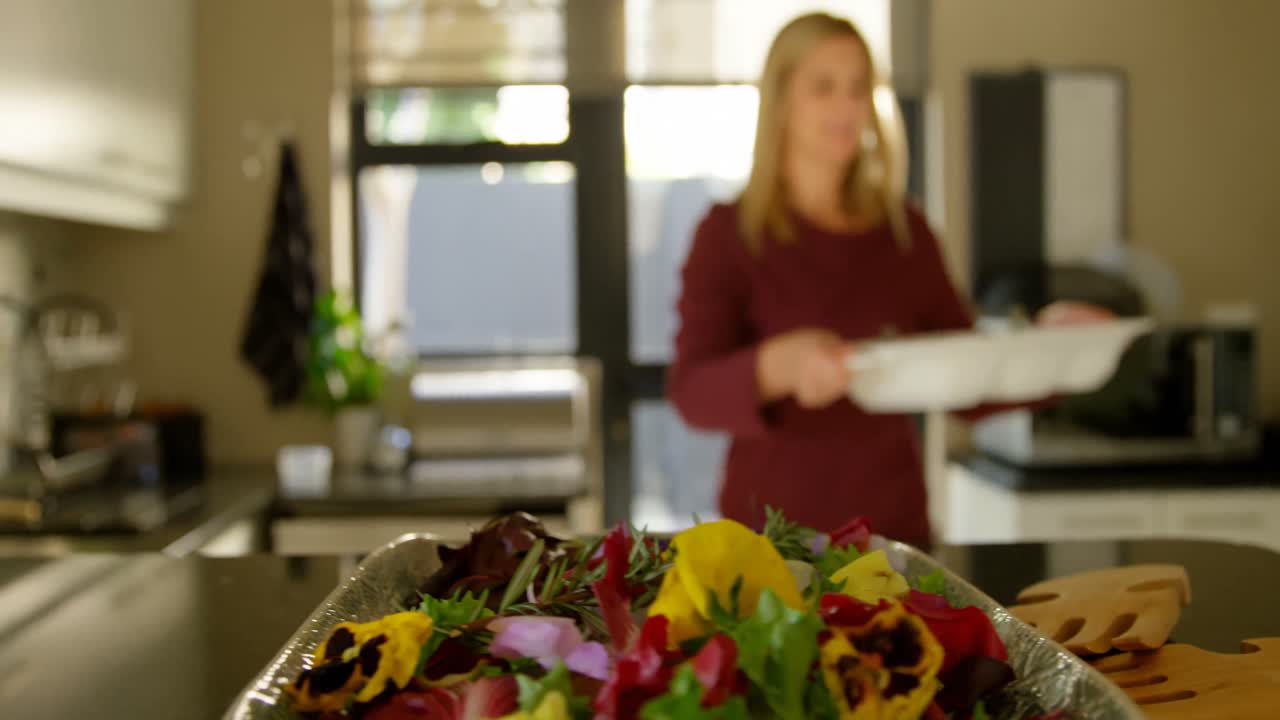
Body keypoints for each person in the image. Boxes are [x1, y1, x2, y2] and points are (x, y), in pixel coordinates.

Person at [666, 13, 1104, 546]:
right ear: (781, 100)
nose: (847, 107)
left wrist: (1052, 348)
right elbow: (691, 392)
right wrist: (779, 366)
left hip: (894, 535)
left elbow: (966, 377)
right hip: (770, 542)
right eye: (824, 87)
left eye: (858, 88)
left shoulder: (905, 232)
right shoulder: (728, 234)